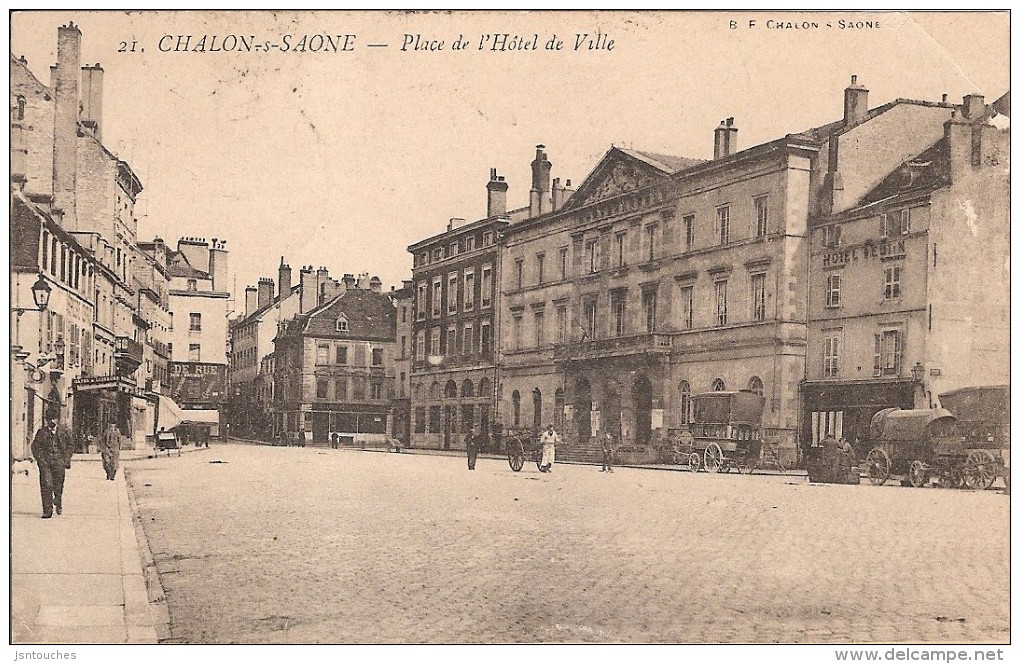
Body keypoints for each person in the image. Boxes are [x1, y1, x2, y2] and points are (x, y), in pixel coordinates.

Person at [31, 414, 72, 518]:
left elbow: (70, 445)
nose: (51, 421)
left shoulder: (64, 431)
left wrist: (66, 459)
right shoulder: (42, 432)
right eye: (49, 419)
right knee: (46, 485)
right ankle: (47, 510)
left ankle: (58, 499)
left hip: (59, 462)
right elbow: (35, 447)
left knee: (58, 485)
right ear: (46, 420)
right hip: (46, 463)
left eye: (53, 419)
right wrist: (40, 459)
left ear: (57, 420)